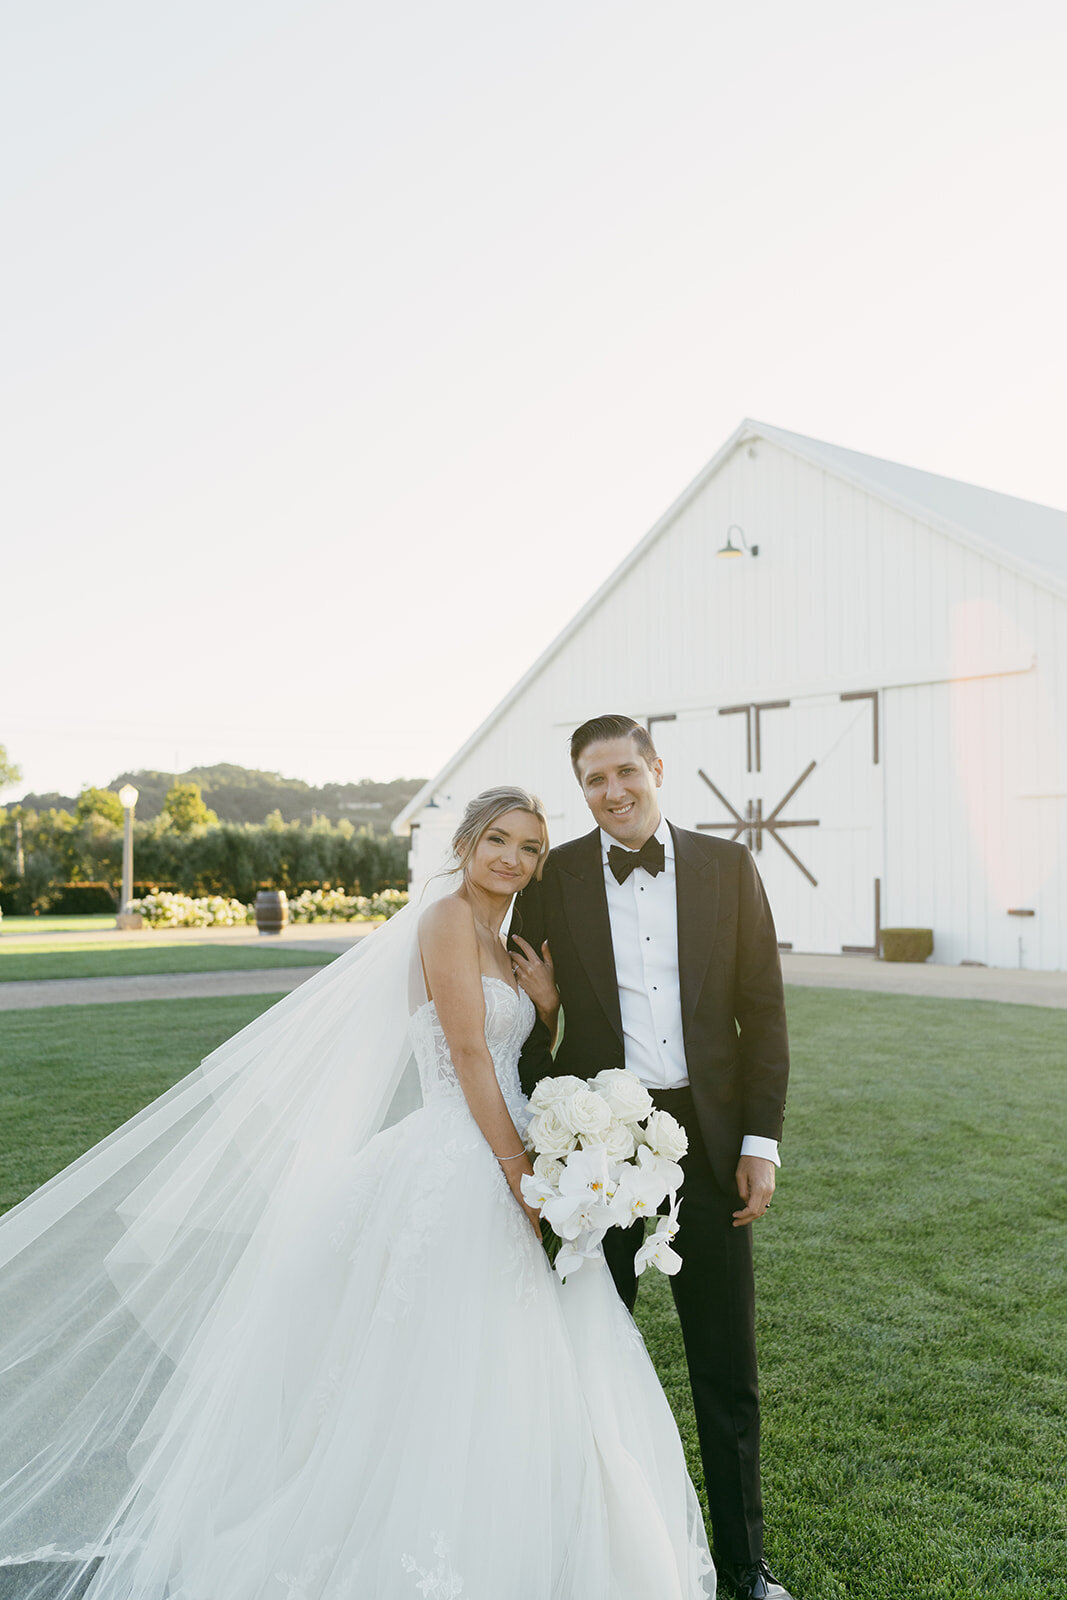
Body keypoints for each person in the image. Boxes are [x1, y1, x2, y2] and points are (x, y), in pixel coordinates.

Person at [0, 786, 714, 1600]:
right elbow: (469, 1059)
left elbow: (514, 1058)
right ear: (468, 842)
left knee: (502, 1347)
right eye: (500, 841)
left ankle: (503, 1523)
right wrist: (517, 1171)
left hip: (506, 1148)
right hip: (462, 1157)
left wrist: (545, 1010)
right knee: (445, 1350)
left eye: (531, 849)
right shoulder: (445, 918)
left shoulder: (501, 931)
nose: (514, 859)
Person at [509, 718, 796, 1600]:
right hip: (599, 1153)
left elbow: (763, 1012)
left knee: (725, 1364)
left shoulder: (726, 866)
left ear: (657, 769)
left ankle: (744, 1568)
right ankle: (590, 1554)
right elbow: (519, 1027)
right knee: (588, 1358)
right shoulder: (553, 877)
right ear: (581, 789)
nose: (613, 792)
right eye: (593, 781)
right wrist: (549, 1032)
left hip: (708, 1149)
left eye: (625, 771)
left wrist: (758, 1142)